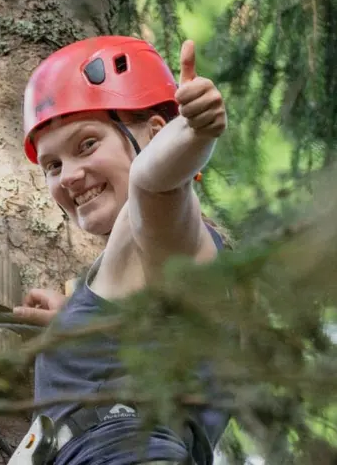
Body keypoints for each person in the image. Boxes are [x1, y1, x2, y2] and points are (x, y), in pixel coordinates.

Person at [15, 36, 230, 465]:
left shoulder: (157, 223)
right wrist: (79, 323)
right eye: (52, 165)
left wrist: (191, 133)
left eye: (87, 144)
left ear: (153, 134)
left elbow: (153, 182)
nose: (70, 176)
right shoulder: (150, 260)